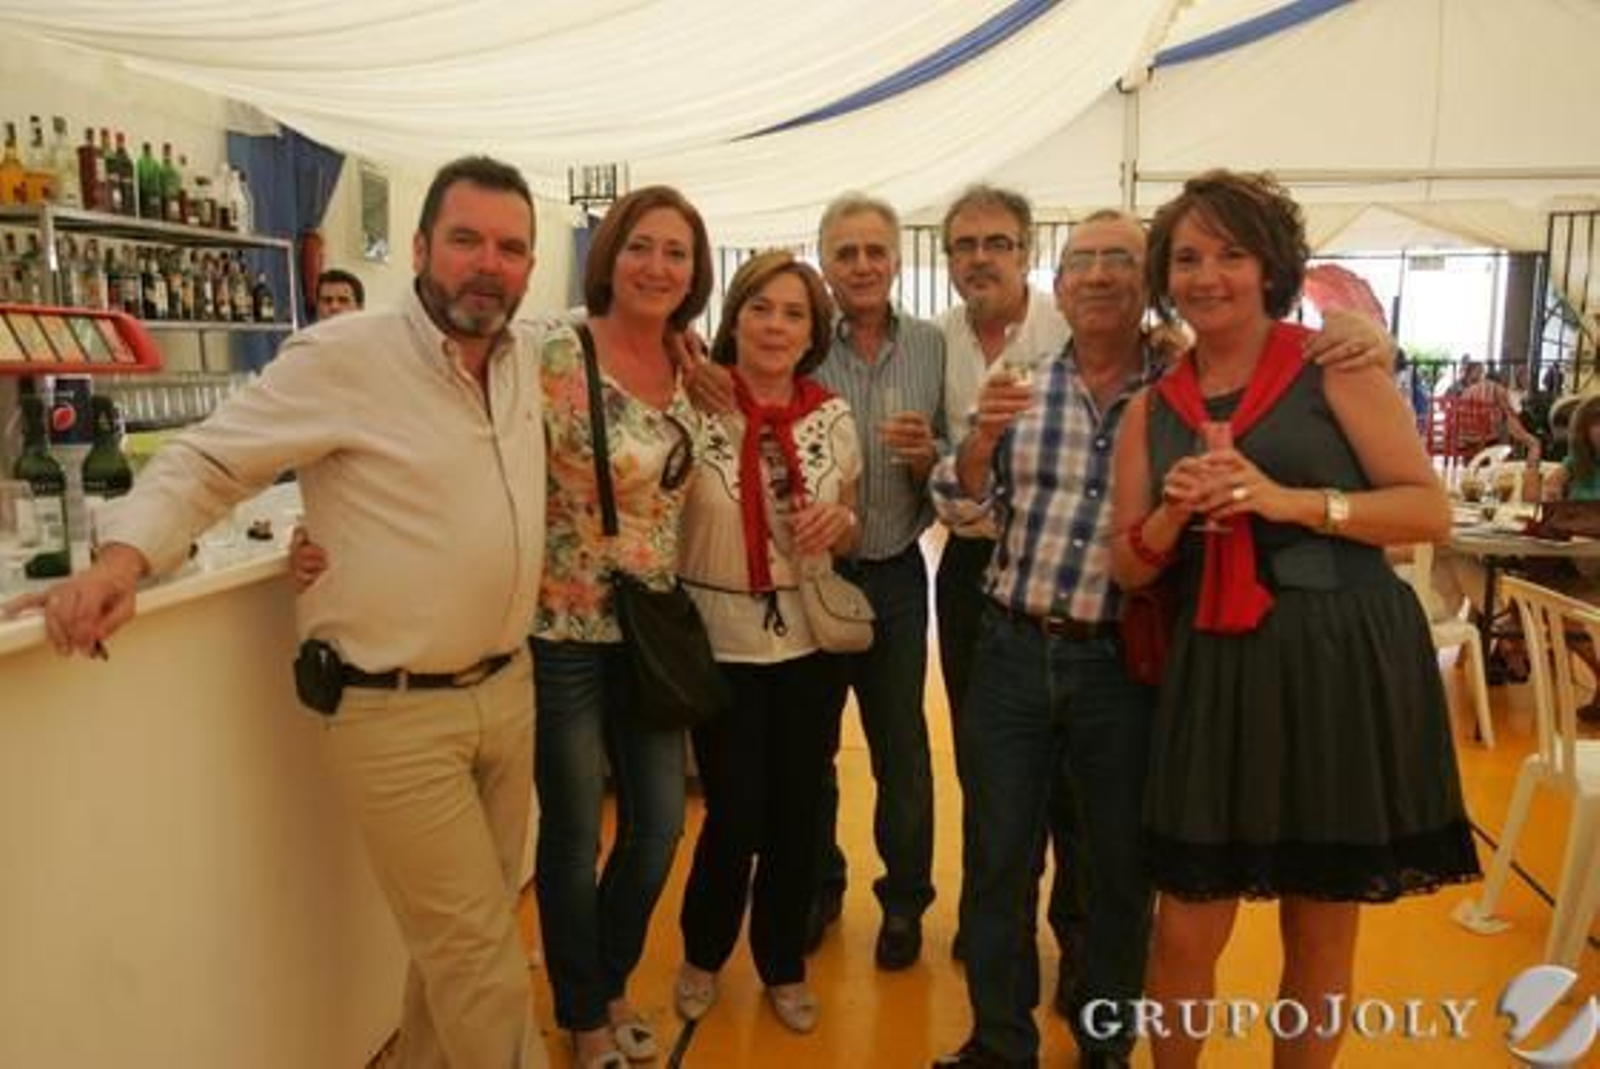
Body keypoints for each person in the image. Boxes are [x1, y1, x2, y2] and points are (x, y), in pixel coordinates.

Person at [7, 155, 549, 1069]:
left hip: (508, 689)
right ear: (419, 247)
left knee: (469, 944)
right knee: (480, 961)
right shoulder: (345, 356)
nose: (487, 264)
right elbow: (207, 462)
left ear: (531, 265)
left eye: (510, 247)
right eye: (465, 240)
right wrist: (122, 561)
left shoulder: (527, 357)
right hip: (396, 708)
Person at [1110, 170, 1480, 1069]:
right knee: (1185, 928)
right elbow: (1127, 565)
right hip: (1219, 663)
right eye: (1188, 257)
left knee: (1320, 927)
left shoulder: (1334, 367)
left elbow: (1426, 512)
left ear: (1271, 265)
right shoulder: (1152, 411)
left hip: (1338, 656)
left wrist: (1288, 502)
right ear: (1166, 275)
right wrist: (1171, 514)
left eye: (1231, 253)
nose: (1209, 275)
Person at [685, 192, 945, 970]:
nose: (861, 265)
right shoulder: (782, 353)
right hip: (790, 591)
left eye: (875, 251)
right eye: (845, 252)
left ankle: (903, 901)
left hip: (892, 570)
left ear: (896, 260)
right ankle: (816, 888)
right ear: (826, 266)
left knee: (900, 744)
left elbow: (970, 452)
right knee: (812, 756)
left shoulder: (934, 346)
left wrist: (935, 456)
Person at [929, 210, 1157, 1069]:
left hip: (1121, 662)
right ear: (1057, 286)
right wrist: (982, 437)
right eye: (1083, 262)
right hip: (1012, 650)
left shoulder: (1175, 386)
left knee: (1117, 873)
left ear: (1148, 281)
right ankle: (999, 1043)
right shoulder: (1021, 382)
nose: (1098, 275)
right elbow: (960, 506)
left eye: (1120, 261)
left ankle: (1105, 1047)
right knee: (996, 860)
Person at [532, 185, 712, 1069]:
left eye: (676, 252)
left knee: (658, 829)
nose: (657, 266)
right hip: (561, 624)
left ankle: (603, 975)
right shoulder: (557, 352)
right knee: (572, 833)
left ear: (694, 270)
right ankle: (587, 1014)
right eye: (641, 246)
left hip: (651, 627)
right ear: (610, 255)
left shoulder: (691, 365)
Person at [671, 251, 860, 1035]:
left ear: (813, 332)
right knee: (734, 809)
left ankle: (783, 962)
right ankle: (702, 953)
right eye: (761, 308)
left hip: (809, 645)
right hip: (719, 642)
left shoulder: (833, 418)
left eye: (794, 314)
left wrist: (843, 524)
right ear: (734, 316)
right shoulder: (690, 405)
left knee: (798, 810)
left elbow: (848, 522)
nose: (776, 325)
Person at [932, 184, 1086, 1010]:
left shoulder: (1072, 328)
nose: (980, 257)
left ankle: (1077, 924)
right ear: (950, 258)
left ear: (1026, 251)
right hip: (970, 567)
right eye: (964, 245)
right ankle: (999, 921)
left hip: (1066, 565)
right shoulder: (938, 340)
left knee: (1071, 769)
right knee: (987, 758)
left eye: (996, 242)